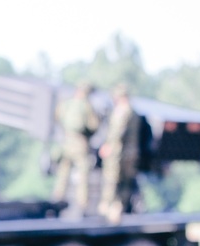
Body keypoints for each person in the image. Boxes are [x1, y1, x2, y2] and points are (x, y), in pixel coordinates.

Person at [52, 82, 102, 214]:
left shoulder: (66, 104)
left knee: (63, 171)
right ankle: (82, 203)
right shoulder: (86, 106)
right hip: (80, 142)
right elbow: (93, 125)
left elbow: (57, 117)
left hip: (67, 140)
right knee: (83, 172)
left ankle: (57, 198)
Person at [98, 83, 139, 223]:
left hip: (118, 152)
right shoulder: (134, 112)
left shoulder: (121, 111)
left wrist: (108, 145)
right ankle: (119, 208)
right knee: (125, 183)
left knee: (112, 180)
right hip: (131, 153)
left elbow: (117, 132)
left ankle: (108, 208)